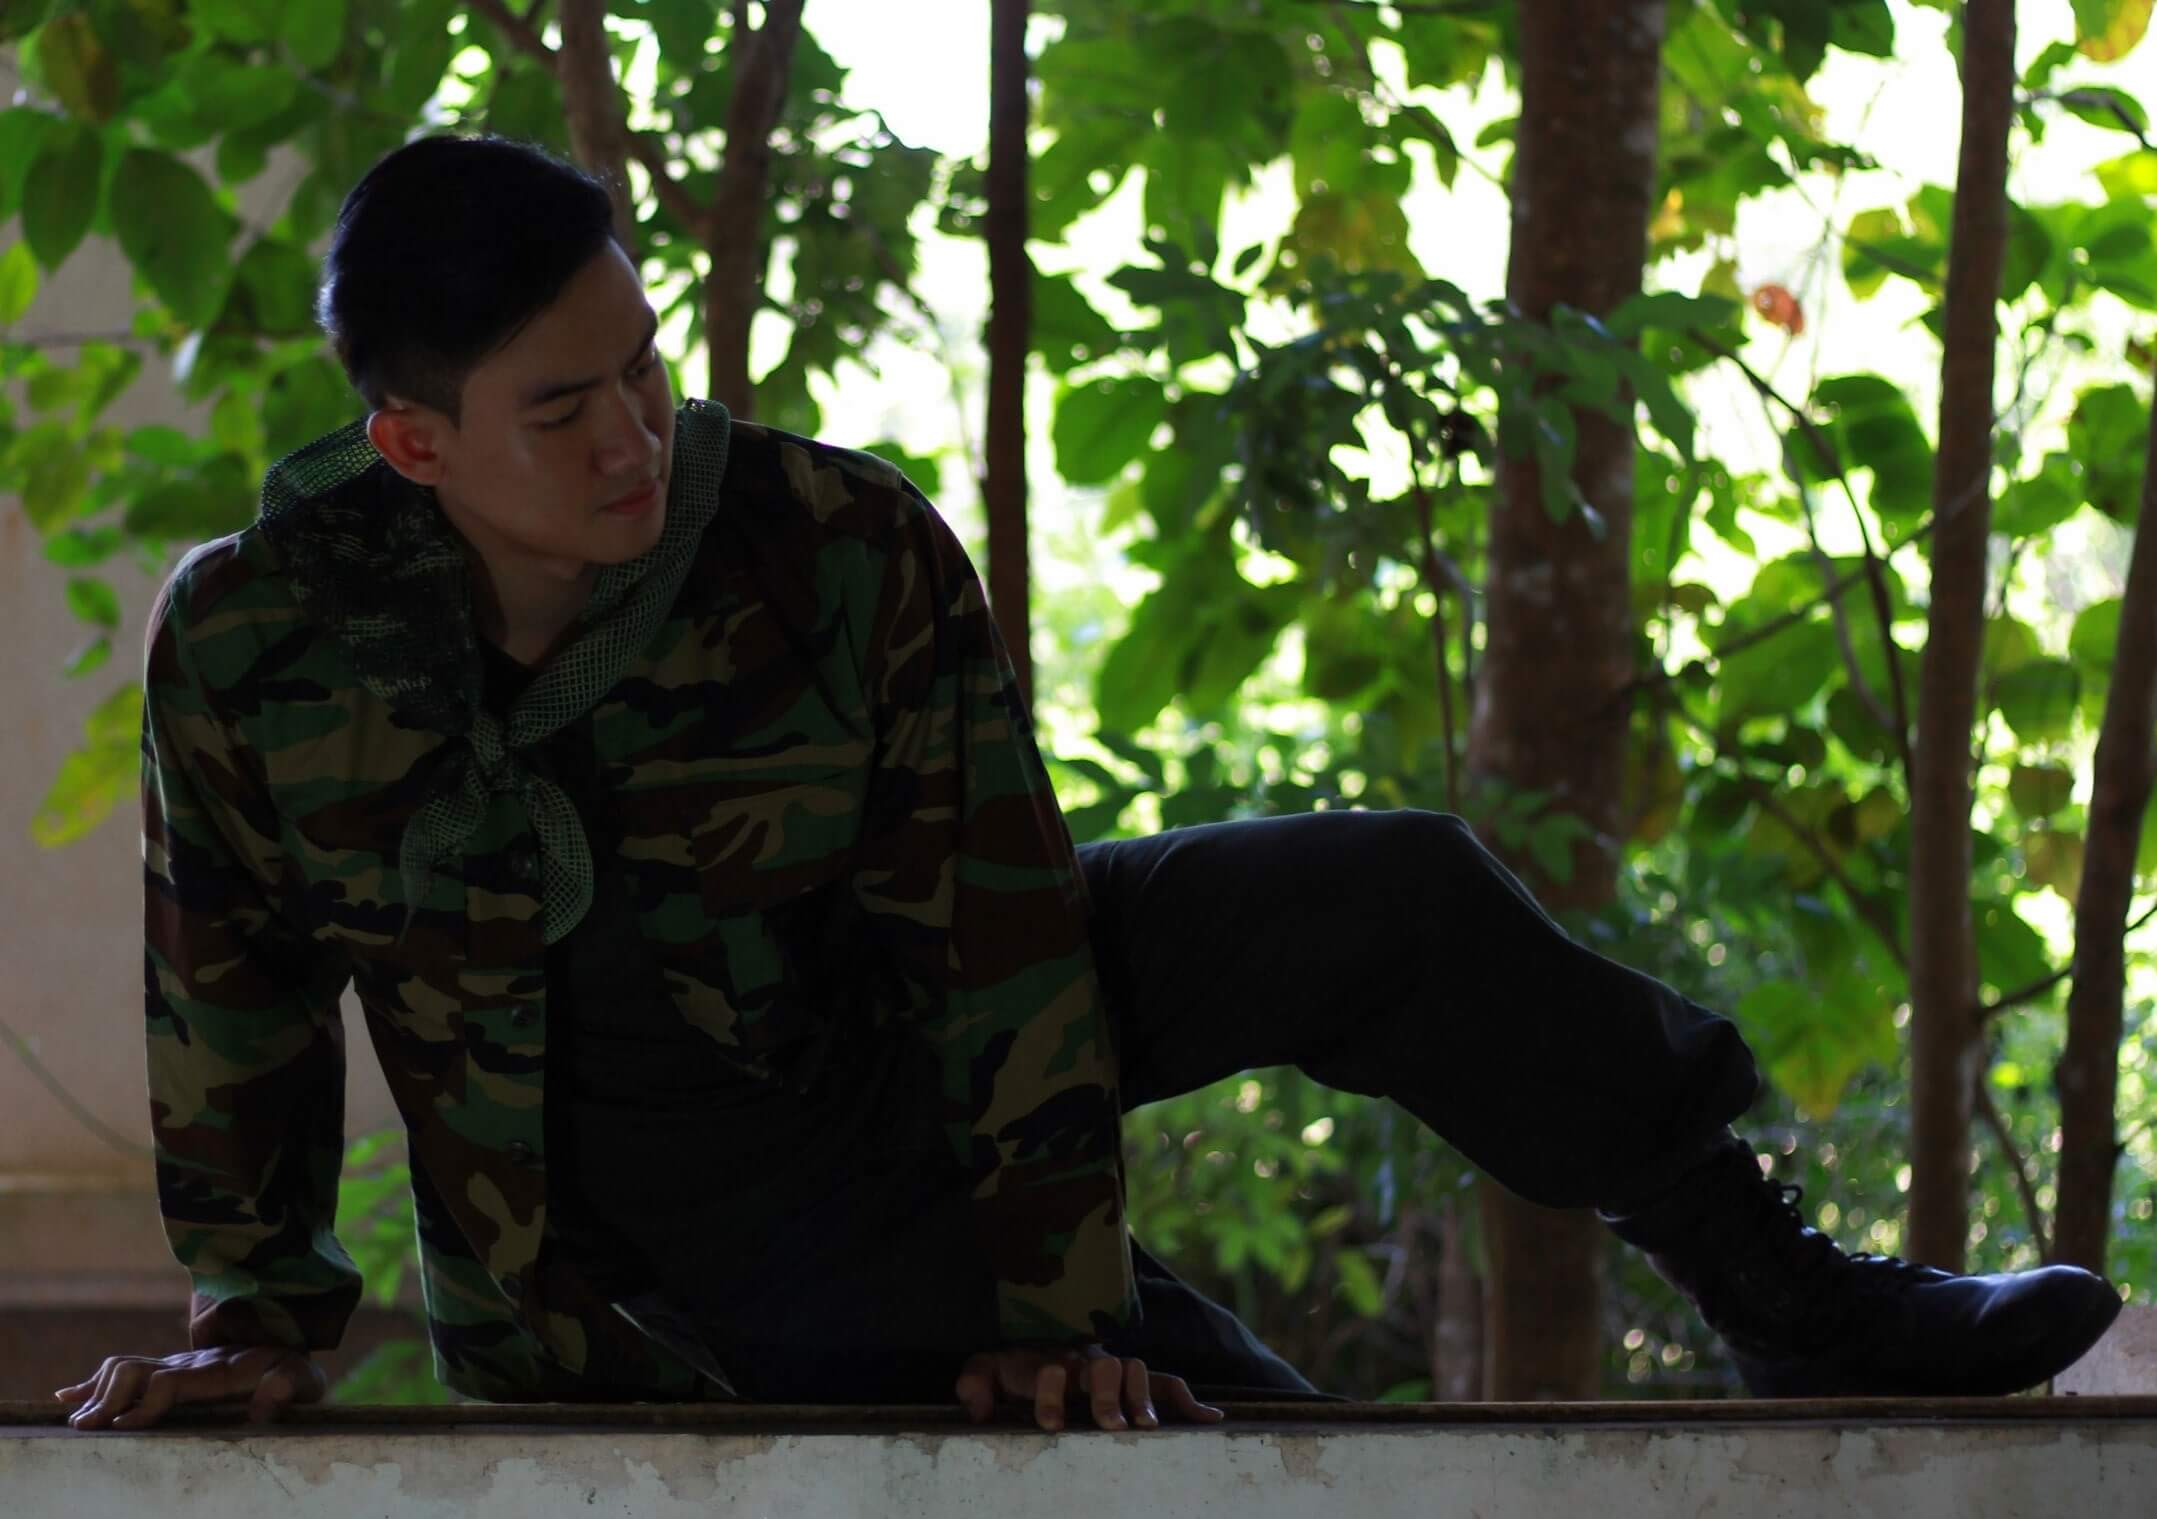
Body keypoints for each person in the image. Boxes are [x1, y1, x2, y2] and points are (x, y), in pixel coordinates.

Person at [59, 135, 2122, 1433]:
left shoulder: (829, 545)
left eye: (645, 367)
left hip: (919, 1037)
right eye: (562, 408)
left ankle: (1782, 1292)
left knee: (1386, 890)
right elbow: (230, 993)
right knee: (1249, 1440)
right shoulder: (257, 644)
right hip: (682, 1241)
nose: (635, 438)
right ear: (413, 443)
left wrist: (1049, 1298)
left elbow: (999, 932)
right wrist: (257, 1318)